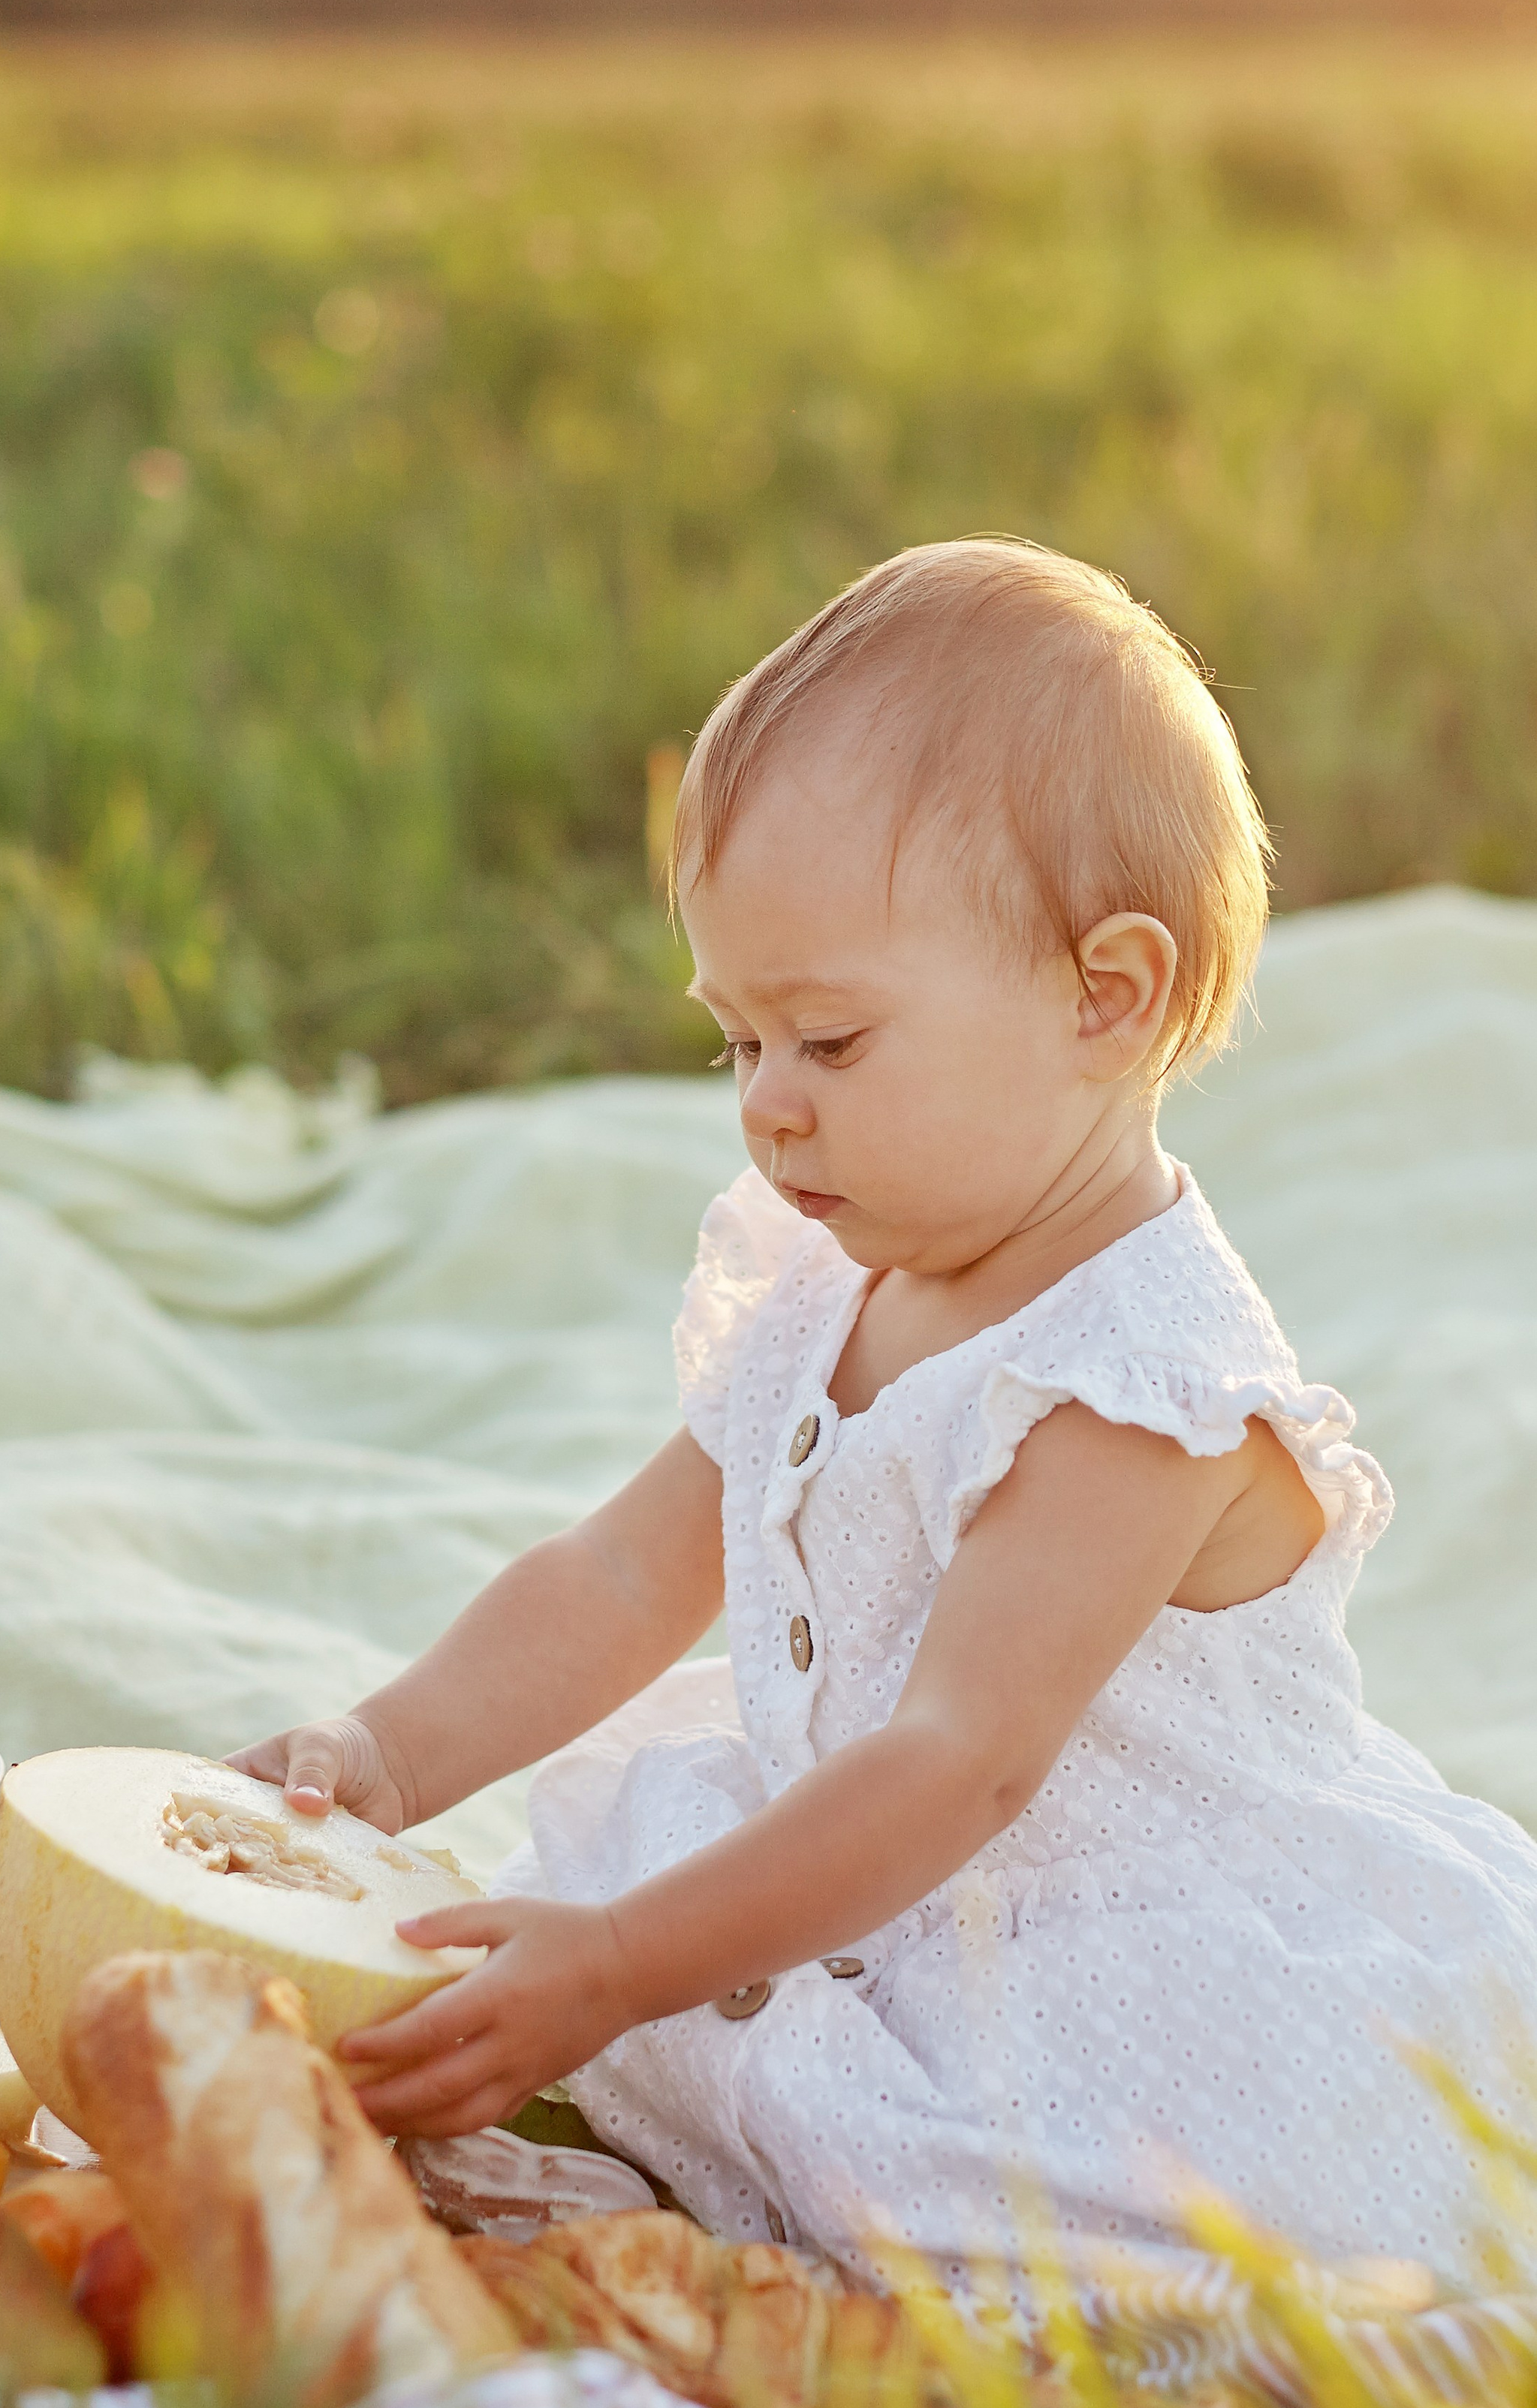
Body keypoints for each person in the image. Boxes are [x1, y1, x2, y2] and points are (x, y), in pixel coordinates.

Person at [236, 538, 1537, 2292]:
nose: (767, 1112)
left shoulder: (1133, 1384)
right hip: (857, 1880)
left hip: (1103, 1951)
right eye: (735, 1044)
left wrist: (624, 1959)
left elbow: (957, 1764)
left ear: (1105, 996)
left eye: (829, 1044)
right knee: (682, 2035)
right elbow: (623, 1578)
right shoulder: (829, 1282)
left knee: (1050, 2243)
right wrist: (385, 1757)